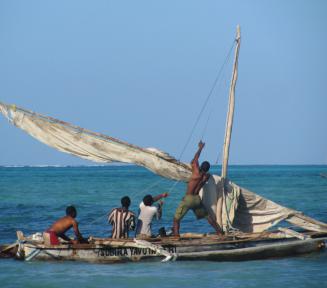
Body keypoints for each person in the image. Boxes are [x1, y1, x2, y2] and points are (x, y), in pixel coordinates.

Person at [172, 141, 223, 236]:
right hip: (197, 199)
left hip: (189, 198)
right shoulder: (206, 176)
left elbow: (195, 159)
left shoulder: (196, 172)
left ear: (200, 166)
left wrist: (200, 148)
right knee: (207, 217)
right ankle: (219, 232)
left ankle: (176, 236)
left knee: (176, 219)